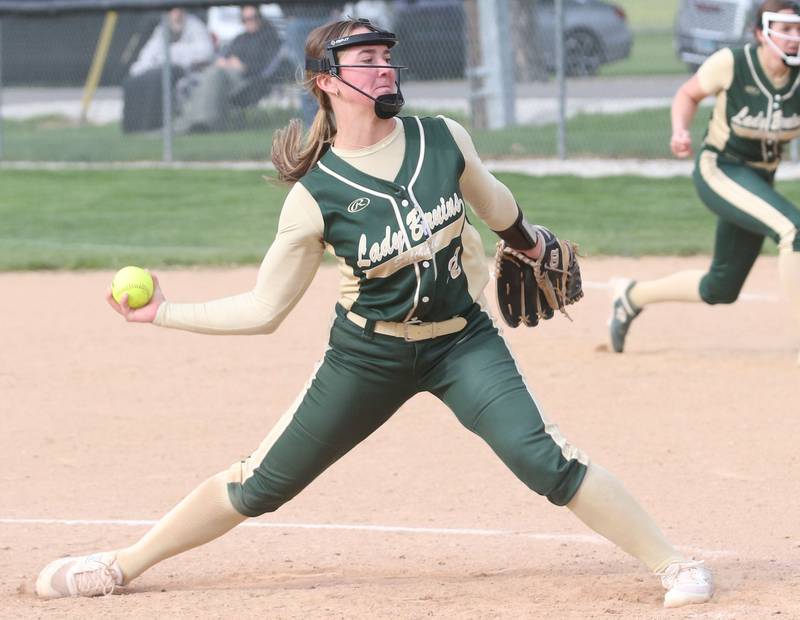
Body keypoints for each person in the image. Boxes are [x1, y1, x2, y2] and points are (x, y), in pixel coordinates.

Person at [34, 18, 714, 609]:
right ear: (327, 81)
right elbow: (266, 309)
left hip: (462, 346)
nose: (384, 65)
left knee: (546, 461)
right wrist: (165, 312)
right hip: (367, 356)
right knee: (260, 484)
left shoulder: (441, 138)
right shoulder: (316, 194)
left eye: (386, 56)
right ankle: (121, 564)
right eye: (365, 59)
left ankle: (673, 562)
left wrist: (530, 245)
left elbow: (495, 202)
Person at [609, 0, 800, 362]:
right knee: (794, 229)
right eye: (785, 29)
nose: (794, 38)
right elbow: (688, 93)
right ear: (761, 33)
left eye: (798, 30)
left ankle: (630, 296)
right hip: (721, 169)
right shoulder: (735, 62)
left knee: (721, 287)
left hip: (759, 180)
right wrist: (680, 130)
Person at [173, 4, 281, 133]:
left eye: (253, 17)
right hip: (224, 74)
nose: (249, 22)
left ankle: (205, 123)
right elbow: (223, 56)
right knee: (208, 76)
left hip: (248, 80)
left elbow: (269, 65)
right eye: (245, 19)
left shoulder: (270, 37)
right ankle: (186, 124)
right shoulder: (240, 38)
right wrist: (224, 62)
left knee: (214, 75)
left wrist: (244, 66)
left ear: (260, 17)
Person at [122, 8, 214, 133]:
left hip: (191, 76)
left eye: (178, 8)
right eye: (171, 9)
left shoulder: (195, 26)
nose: (176, 12)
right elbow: (148, 55)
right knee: (135, 80)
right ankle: (141, 126)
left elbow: (206, 53)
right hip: (159, 76)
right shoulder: (162, 29)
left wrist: (175, 52)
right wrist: (137, 71)